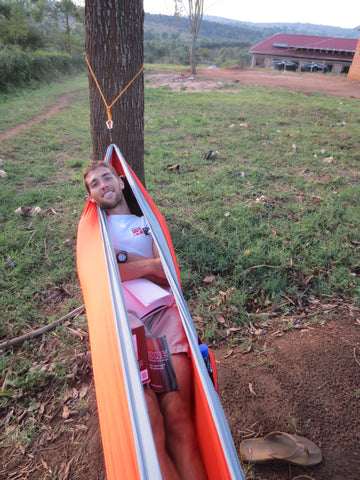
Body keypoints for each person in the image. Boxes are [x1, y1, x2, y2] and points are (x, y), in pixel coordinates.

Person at [83, 161, 207, 480]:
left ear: (121, 182)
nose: (102, 185)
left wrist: (123, 259)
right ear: (92, 197)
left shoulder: (147, 223)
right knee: (148, 422)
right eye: (94, 184)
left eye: (107, 178)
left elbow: (167, 273)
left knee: (178, 417)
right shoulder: (94, 235)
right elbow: (103, 277)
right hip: (127, 328)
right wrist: (147, 263)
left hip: (163, 319)